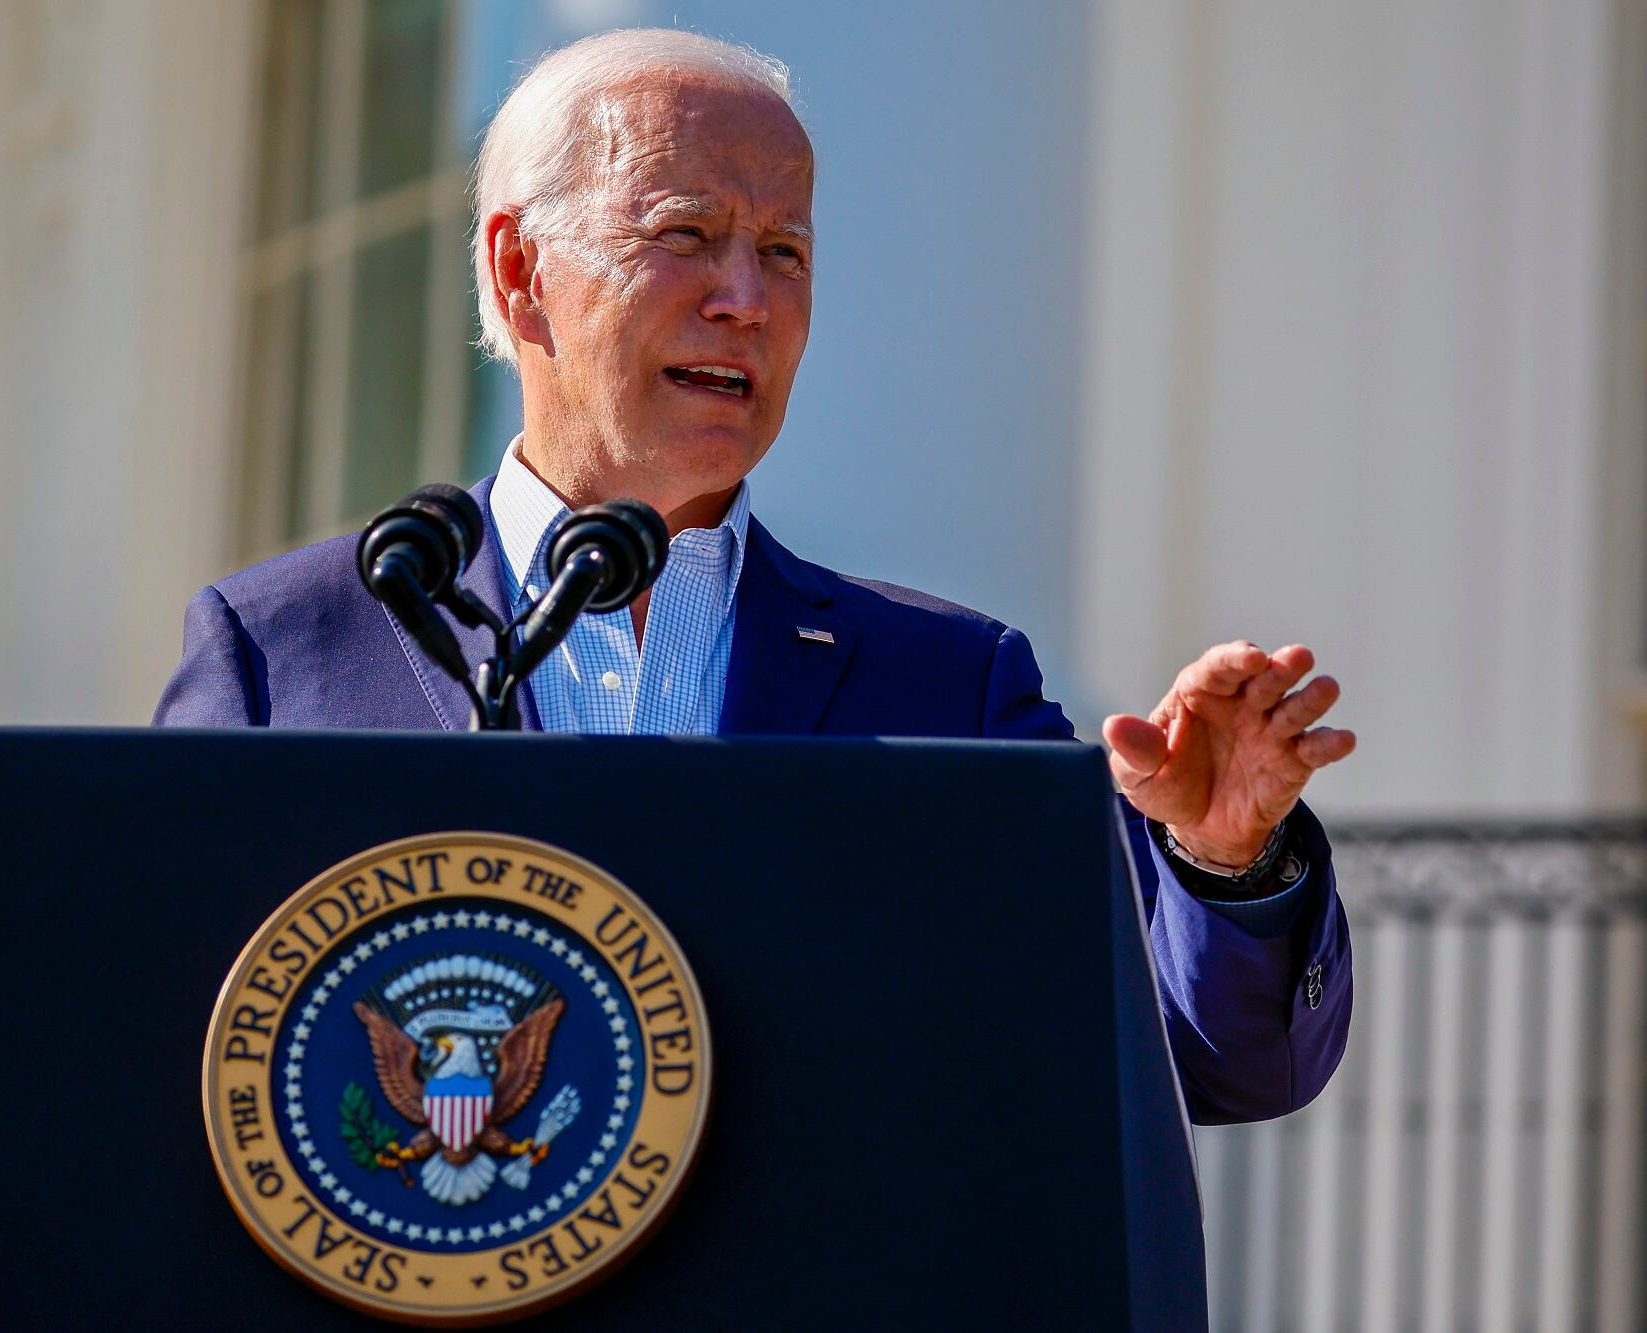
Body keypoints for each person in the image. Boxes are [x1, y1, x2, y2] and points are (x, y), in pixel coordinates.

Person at [155, 28, 1354, 1128]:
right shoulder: (285, 647)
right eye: (683, 235)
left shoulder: (944, 685)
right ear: (521, 271)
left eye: (784, 251)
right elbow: (158, 1048)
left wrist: (1217, 859)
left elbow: (1214, 1062)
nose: (748, 300)